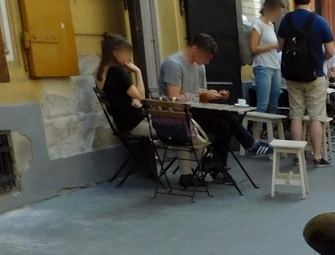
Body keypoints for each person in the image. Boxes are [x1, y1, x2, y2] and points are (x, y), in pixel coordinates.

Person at [160, 34, 271, 182]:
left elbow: (199, 93)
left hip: (194, 111)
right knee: (224, 112)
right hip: (178, 115)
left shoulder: (199, 67)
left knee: (225, 124)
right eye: (205, 57)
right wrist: (202, 96)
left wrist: (214, 95)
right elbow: (173, 98)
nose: (207, 62)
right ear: (194, 49)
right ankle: (250, 143)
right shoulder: (173, 65)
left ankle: (219, 168)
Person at [279, 0, 335, 166]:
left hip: (292, 75)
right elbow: (331, 51)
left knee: (295, 114)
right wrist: (320, 60)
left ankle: (298, 155)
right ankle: (317, 156)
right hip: (314, 75)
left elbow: (282, 46)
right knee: (316, 117)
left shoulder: (286, 20)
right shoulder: (319, 21)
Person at [97, 34, 150, 137]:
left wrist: (134, 101)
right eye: (127, 53)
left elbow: (121, 97)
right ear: (116, 53)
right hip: (133, 124)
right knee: (181, 131)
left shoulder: (102, 72)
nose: (129, 58)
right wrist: (138, 72)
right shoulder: (116, 71)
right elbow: (142, 98)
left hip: (121, 123)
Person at [249, 0, 286, 114]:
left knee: (273, 103)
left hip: (275, 66)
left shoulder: (270, 25)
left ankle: (268, 130)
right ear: (271, 10)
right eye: (278, 13)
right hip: (263, 66)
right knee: (263, 103)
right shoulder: (258, 24)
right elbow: (253, 48)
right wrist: (274, 46)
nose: (279, 16)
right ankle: (258, 130)